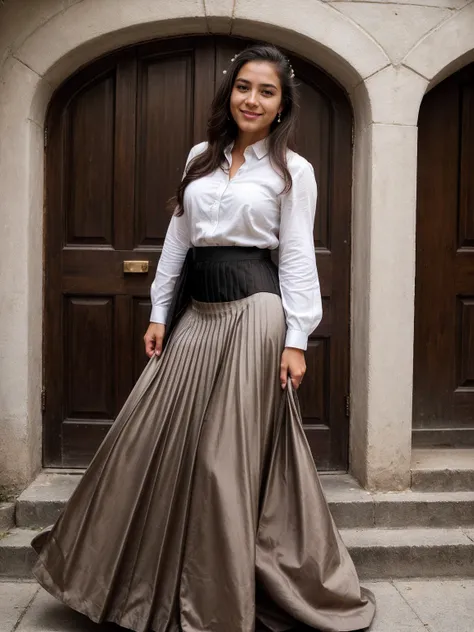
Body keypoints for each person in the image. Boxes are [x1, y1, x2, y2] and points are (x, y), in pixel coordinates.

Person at [31, 44, 376, 632]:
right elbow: (177, 241)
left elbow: (296, 257)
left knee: (224, 460)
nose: (253, 99)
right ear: (230, 92)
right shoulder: (199, 157)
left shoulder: (295, 171)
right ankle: (138, 586)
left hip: (256, 314)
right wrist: (159, 312)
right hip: (200, 312)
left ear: (282, 104)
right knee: (146, 435)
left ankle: (215, 603)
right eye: (245, 87)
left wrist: (297, 338)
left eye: (267, 92)